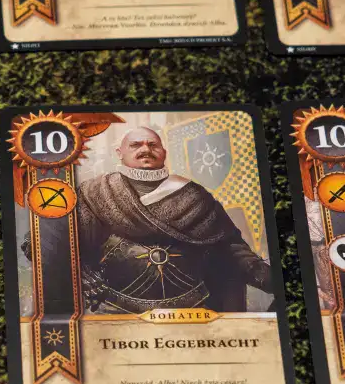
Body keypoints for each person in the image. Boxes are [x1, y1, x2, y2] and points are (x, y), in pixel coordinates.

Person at [73, 127, 272, 313]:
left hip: (192, 309)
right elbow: (73, 249)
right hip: (114, 309)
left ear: (164, 152)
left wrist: (264, 275)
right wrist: (81, 274)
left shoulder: (195, 195)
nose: (146, 150)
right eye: (136, 145)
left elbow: (228, 246)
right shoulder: (96, 193)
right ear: (120, 152)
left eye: (153, 145)